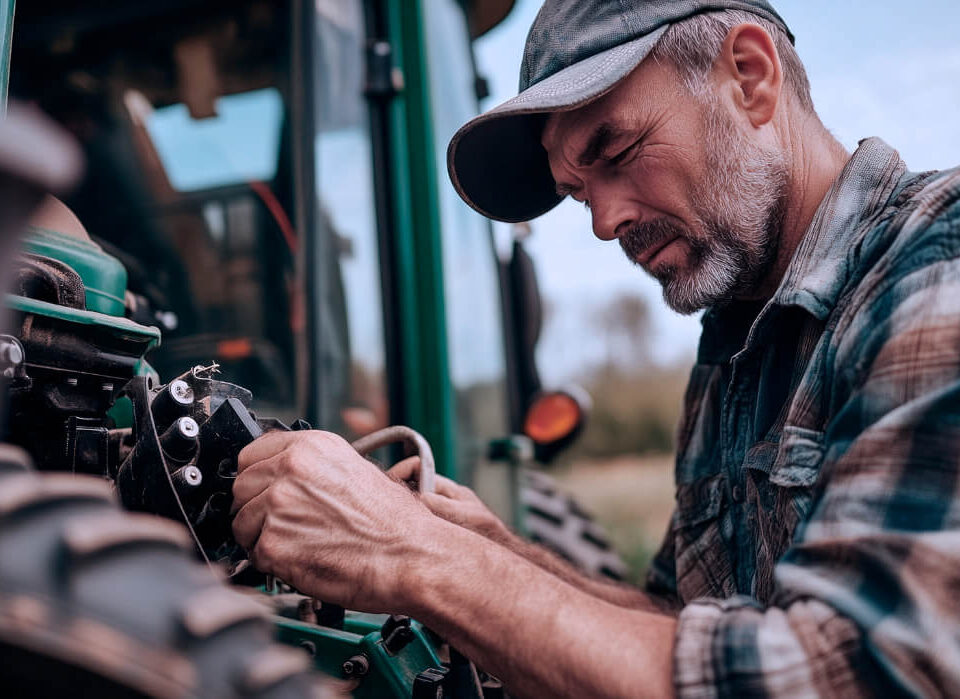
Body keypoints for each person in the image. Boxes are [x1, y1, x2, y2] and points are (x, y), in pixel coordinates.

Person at [231, 1, 960, 695]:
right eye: (579, 192)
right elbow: (688, 628)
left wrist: (414, 555)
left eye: (617, 150)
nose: (605, 222)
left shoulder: (935, 274)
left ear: (750, 76)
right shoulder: (737, 349)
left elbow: (849, 676)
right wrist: (491, 548)